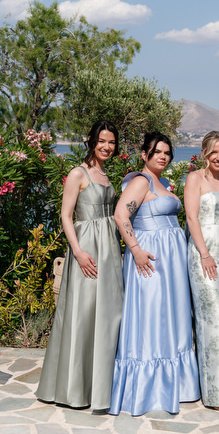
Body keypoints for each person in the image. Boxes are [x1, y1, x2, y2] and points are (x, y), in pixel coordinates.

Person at [109, 132, 200, 416]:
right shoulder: (141, 181)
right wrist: (135, 250)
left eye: (167, 153)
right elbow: (121, 215)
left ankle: (176, 383)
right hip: (149, 257)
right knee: (151, 316)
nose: (163, 156)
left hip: (170, 261)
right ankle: (148, 386)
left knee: (171, 316)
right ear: (145, 155)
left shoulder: (164, 183)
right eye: (158, 152)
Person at [36, 120, 123, 413]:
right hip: (86, 247)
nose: (107, 147)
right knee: (82, 314)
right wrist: (78, 252)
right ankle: (74, 389)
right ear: (91, 140)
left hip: (109, 248)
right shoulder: (78, 173)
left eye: (111, 142)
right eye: (102, 141)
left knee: (107, 314)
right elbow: (65, 215)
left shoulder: (105, 173)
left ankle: (99, 386)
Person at [185, 131, 219, 412]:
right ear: (205, 153)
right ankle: (215, 395)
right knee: (211, 320)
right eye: (214, 151)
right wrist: (204, 253)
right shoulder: (195, 179)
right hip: (202, 253)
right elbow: (191, 217)